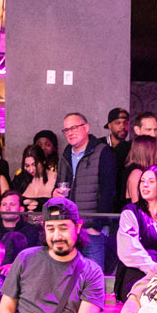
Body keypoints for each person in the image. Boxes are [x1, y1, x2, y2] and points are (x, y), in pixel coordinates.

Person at [58, 113, 119, 272]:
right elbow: (59, 184)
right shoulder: (66, 154)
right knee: (68, 276)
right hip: (69, 229)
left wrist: (97, 226)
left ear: (86, 128)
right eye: (66, 130)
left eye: (74, 128)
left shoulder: (102, 152)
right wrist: (55, 194)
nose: (70, 133)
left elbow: (108, 191)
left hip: (91, 229)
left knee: (93, 275)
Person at [114, 165, 157, 301]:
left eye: (151, 181)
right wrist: (154, 270)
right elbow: (128, 250)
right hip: (136, 277)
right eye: (142, 181)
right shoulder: (131, 212)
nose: (145, 185)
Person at [15, 142, 58, 211]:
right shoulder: (20, 179)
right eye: (27, 166)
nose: (31, 170)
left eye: (34, 165)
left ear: (43, 161)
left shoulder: (56, 178)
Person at [121, 136, 157, 207]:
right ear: (148, 152)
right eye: (156, 150)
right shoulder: (136, 173)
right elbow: (137, 205)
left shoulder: (143, 172)